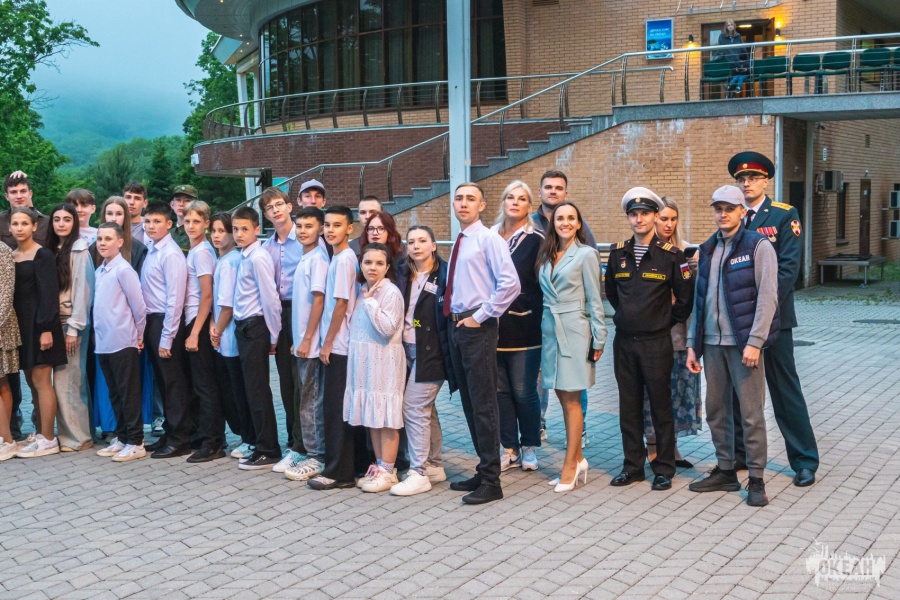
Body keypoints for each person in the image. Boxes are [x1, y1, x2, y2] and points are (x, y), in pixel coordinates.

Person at [728, 151, 818, 488]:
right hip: (739, 321)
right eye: (741, 179)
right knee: (738, 389)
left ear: (765, 181)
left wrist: (761, 311)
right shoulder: (733, 216)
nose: (746, 183)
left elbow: (788, 269)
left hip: (775, 320)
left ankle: (804, 460)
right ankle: (740, 453)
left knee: (784, 389)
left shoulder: (782, 215)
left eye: (753, 178)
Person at [686, 185, 779, 507]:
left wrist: (755, 341)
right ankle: (726, 471)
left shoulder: (758, 245)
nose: (723, 214)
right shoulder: (707, 248)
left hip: (743, 346)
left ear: (742, 211)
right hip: (711, 344)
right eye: (718, 208)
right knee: (716, 411)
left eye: (729, 208)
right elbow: (699, 301)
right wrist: (692, 344)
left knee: (751, 414)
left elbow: (768, 298)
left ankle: (756, 479)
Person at [604, 188, 694, 491]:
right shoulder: (617, 254)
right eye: (634, 214)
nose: (639, 219)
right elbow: (612, 294)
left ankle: (664, 468)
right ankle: (633, 466)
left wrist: (661, 322)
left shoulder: (671, 256)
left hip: (656, 343)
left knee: (660, 406)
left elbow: (684, 299)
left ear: (655, 217)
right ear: (629, 218)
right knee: (628, 405)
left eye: (645, 213)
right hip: (625, 342)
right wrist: (628, 316)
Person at [445, 183, 520, 505]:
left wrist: (481, 316)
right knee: (470, 404)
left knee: (484, 404)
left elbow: (511, 284)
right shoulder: (461, 240)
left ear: (482, 205)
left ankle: (492, 481)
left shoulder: (488, 239)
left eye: (470, 199)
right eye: (459, 198)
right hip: (458, 326)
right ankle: (483, 467)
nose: (463, 204)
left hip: (477, 327)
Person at [536, 202, 606, 493]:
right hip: (550, 331)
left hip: (575, 332)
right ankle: (578, 459)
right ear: (553, 223)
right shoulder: (547, 254)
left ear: (578, 224)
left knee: (573, 399)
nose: (565, 222)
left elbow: (594, 297)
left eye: (571, 218)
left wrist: (599, 337)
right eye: (560, 218)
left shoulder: (586, 254)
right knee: (562, 396)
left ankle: (569, 465)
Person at [531, 169, 594, 445]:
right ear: (540, 192)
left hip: (570, 318)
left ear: (566, 193)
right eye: (548, 187)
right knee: (541, 375)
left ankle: (579, 429)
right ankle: (538, 424)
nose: (553, 191)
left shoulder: (579, 225)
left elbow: (589, 265)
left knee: (575, 377)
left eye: (558, 188)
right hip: (540, 312)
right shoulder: (529, 224)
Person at [389, 225, 454, 496]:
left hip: (432, 352)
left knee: (413, 407)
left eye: (422, 241)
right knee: (427, 408)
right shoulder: (402, 272)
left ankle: (419, 472)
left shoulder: (446, 274)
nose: (416, 246)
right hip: (405, 350)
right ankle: (434, 464)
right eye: (411, 241)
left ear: (433, 245)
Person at [642, 197, 702, 467]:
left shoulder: (685, 251)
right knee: (652, 395)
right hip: (653, 334)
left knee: (676, 396)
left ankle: (672, 449)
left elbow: (695, 296)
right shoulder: (646, 250)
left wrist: (696, 272)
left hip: (681, 336)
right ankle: (653, 448)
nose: (668, 224)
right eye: (663, 218)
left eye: (673, 219)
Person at [88, 196, 152, 441]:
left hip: (124, 341)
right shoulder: (100, 270)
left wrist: (138, 336)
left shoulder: (124, 270)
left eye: (108, 239)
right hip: (104, 343)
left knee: (128, 392)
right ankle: (122, 437)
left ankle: (135, 440)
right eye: (100, 239)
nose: (103, 243)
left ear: (120, 242)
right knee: (114, 392)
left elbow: (139, 308)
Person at [490, 181, 544, 473]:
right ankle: (509, 447)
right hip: (492, 328)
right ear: (503, 202)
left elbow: (541, 284)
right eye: (510, 197)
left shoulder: (537, 240)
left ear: (529, 206)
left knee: (524, 392)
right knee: (500, 392)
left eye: (521, 199)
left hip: (524, 327)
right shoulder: (489, 236)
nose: (515, 202)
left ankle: (530, 447)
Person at [344, 243, 406, 493]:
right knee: (373, 414)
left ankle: (389, 470)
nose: (373, 267)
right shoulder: (362, 291)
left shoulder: (390, 292)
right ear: (361, 264)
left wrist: (370, 303)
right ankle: (379, 466)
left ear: (388, 267)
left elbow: (387, 329)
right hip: (366, 362)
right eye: (368, 262)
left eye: (379, 263)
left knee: (386, 416)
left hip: (385, 361)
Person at [308, 206, 359, 490]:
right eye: (327, 225)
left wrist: (327, 344)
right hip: (338, 344)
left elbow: (341, 304)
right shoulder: (337, 257)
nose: (330, 230)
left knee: (336, 411)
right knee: (336, 409)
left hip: (340, 346)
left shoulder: (344, 260)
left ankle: (339, 472)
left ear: (349, 229)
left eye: (337, 225)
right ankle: (346, 467)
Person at [231, 206, 283, 470]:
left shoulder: (259, 257)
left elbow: (270, 298)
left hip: (256, 327)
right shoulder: (244, 256)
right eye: (235, 229)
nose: (239, 234)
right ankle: (259, 444)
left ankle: (269, 449)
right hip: (243, 327)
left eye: (244, 229)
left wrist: (274, 334)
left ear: (256, 229)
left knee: (258, 390)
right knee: (251, 391)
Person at [11, 208, 66, 458]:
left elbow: (49, 295)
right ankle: (40, 432)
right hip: (20, 327)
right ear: (10, 227)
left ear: (34, 226)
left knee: (42, 381)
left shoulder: (42, 254)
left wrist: (46, 329)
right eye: (15, 223)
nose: (19, 228)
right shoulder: (10, 256)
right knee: (31, 382)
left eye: (25, 223)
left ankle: (49, 439)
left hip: (40, 325)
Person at [140, 202, 192, 459]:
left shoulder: (171, 254)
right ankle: (170, 433)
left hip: (165, 322)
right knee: (163, 382)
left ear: (169, 224)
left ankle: (181, 439)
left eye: (157, 221)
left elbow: (175, 298)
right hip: (152, 320)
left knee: (173, 383)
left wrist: (167, 337)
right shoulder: (152, 250)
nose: (151, 226)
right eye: (148, 221)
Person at [1, 172, 49, 441]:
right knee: (10, 374)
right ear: (6, 196)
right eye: (13, 191)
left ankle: (42, 429)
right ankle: (11, 429)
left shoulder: (46, 224)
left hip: (33, 309)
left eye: (23, 190)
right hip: (9, 312)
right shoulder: (1, 221)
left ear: (30, 193)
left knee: (35, 375)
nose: (19, 195)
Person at [260, 187, 306, 467]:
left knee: (303, 381)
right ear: (266, 215)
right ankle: (292, 439)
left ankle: (305, 441)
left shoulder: (304, 239)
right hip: (279, 313)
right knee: (286, 382)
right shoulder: (266, 247)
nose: (275, 210)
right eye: (270, 208)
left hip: (302, 310)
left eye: (279, 204)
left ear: (289, 207)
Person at [284, 207, 330, 482]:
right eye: (299, 226)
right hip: (302, 342)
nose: (302, 231)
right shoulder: (306, 257)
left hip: (311, 345)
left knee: (311, 401)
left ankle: (317, 455)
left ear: (320, 229)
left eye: (309, 226)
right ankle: (311, 451)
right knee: (305, 398)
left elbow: (319, 301)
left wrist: (308, 339)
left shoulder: (318, 259)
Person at [183, 200, 226, 463]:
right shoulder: (196, 250)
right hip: (194, 321)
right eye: (187, 221)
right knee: (199, 385)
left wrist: (194, 332)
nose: (191, 226)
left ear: (206, 224)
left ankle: (213, 442)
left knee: (205, 386)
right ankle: (203, 435)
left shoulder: (201, 253)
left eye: (196, 221)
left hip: (197, 323)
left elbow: (207, 296)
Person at [48, 204, 93, 452]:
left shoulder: (79, 249)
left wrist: (74, 328)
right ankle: (71, 434)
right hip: (54, 323)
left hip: (71, 323)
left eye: (67, 219)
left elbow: (83, 291)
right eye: (57, 219)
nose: (61, 223)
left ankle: (78, 438)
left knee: (70, 381)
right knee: (62, 382)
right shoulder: (52, 249)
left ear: (74, 223)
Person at [208, 213, 253, 460]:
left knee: (238, 391)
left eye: (222, 231)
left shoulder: (231, 261)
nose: (217, 236)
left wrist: (216, 329)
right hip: (223, 333)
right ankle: (246, 436)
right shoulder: (222, 260)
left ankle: (249, 438)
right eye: (213, 231)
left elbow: (227, 305)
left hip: (230, 335)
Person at [0, 241, 21, 461]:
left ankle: (7, 440)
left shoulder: (3, 251)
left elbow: (6, 293)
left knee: (2, 382)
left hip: (2, 327)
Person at [716, 19, 750, 98]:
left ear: (734, 26)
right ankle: (728, 96)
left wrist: (746, 59)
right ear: (726, 27)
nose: (730, 26)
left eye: (731, 25)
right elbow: (720, 49)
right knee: (726, 81)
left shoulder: (738, 36)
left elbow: (743, 48)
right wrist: (719, 59)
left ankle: (732, 97)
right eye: (728, 25)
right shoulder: (722, 36)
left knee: (735, 79)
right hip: (727, 61)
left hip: (736, 61)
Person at [169, 184, 196, 254]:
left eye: (187, 200)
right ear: (172, 204)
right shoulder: (167, 234)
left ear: (196, 205)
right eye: (178, 200)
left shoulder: (199, 234)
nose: (181, 204)